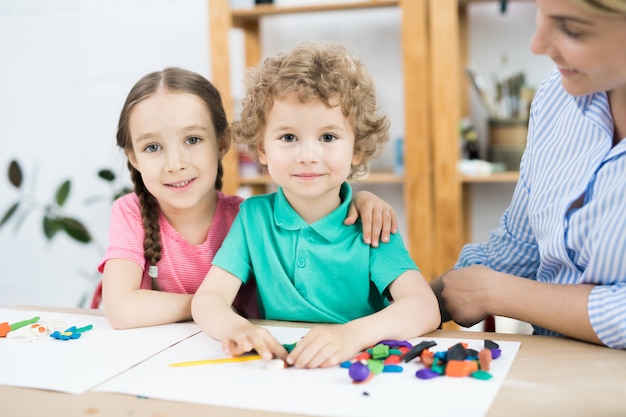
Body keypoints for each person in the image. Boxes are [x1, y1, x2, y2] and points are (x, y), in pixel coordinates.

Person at [191, 41, 440, 368]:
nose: (308, 155)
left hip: (355, 371)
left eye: (328, 137)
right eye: (289, 138)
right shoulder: (253, 218)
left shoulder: (371, 224)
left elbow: (424, 307)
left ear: (357, 150)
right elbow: (208, 299)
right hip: (280, 370)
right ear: (262, 149)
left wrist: (351, 336)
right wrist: (236, 328)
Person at [97, 67, 400, 329]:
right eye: (152, 147)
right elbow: (121, 309)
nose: (174, 163)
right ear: (132, 157)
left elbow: (311, 204)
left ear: (222, 143)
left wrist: (360, 200)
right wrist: (208, 305)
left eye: (192, 140)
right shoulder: (130, 213)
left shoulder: (250, 217)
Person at [431, 0, 626, 349]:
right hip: (549, 371)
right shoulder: (556, 96)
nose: (537, 45)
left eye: (571, 28)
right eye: (542, 10)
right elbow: (519, 247)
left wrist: (498, 293)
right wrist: (405, 302)